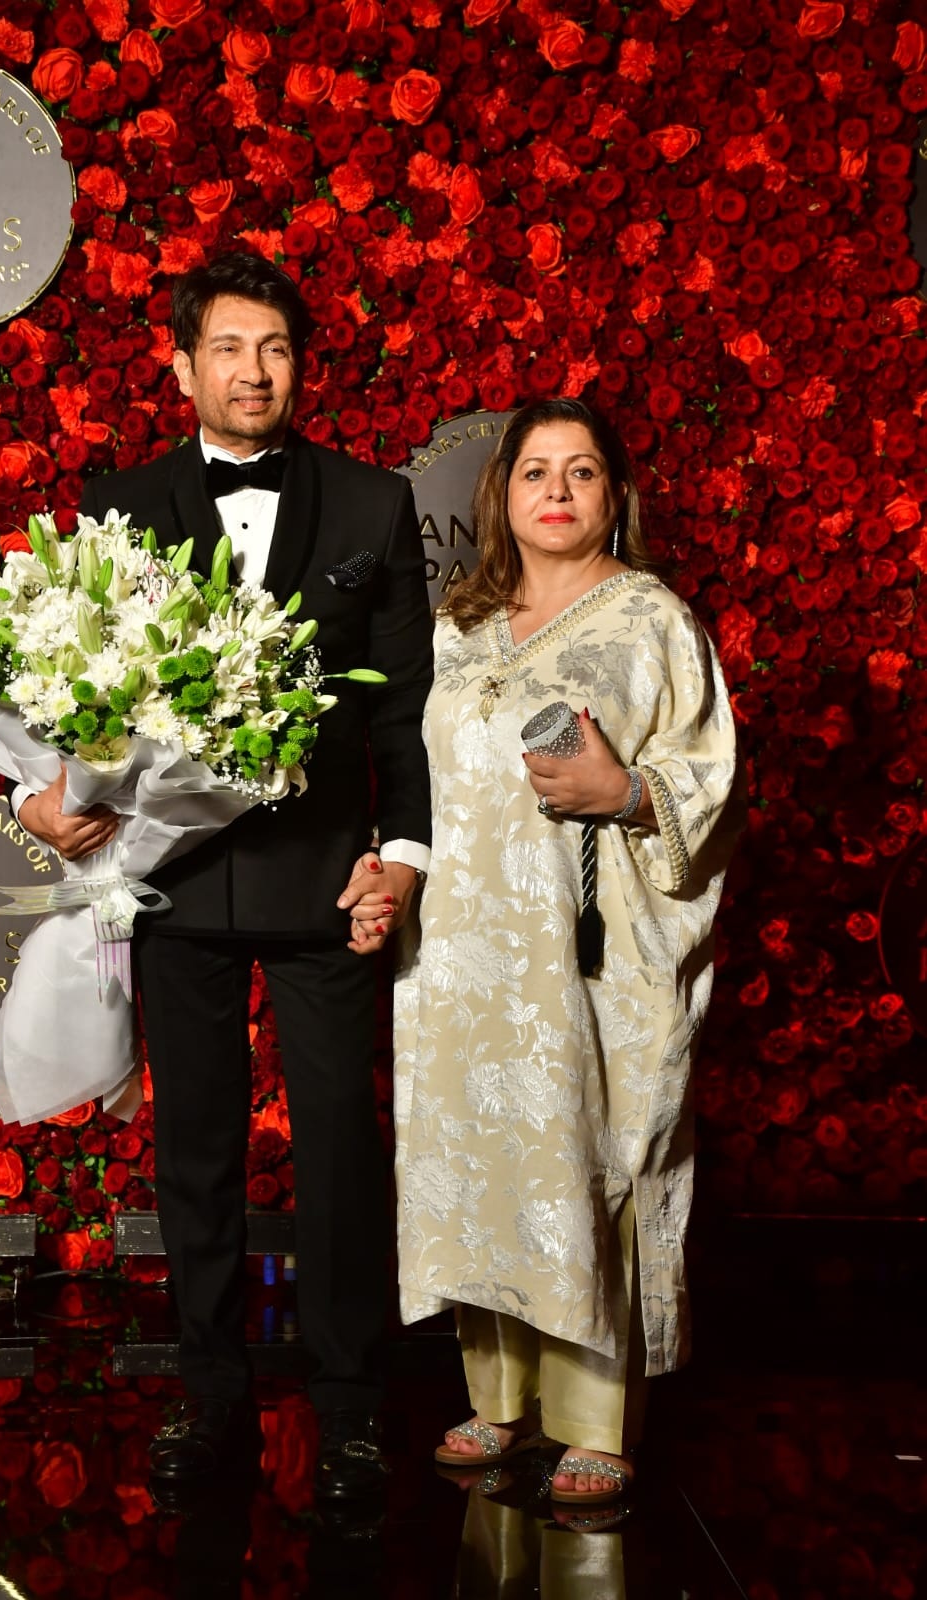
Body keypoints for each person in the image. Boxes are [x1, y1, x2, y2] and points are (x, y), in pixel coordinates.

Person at [17, 252, 434, 1498]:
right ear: (183, 364)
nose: (255, 372)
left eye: (277, 349)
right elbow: (67, 684)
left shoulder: (372, 503)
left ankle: (350, 1403)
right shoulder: (116, 502)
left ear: (300, 366)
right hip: (175, 882)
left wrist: (402, 858)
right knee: (193, 1149)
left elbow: (407, 711)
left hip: (326, 881)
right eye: (231, 349)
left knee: (340, 1148)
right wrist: (46, 794)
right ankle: (209, 1396)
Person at [391, 398, 742, 1508]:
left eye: (581, 471)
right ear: (501, 495)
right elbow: (420, 778)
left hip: (586, 951)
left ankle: (594, 1419)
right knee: (481, 1153)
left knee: (581, 1146)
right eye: (535, 469)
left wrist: (625, 792)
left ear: (614, 495)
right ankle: (497, 1398)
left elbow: (710, 777)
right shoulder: (460, 625)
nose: (556, 489)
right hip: (460, 950)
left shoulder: (652, 621)